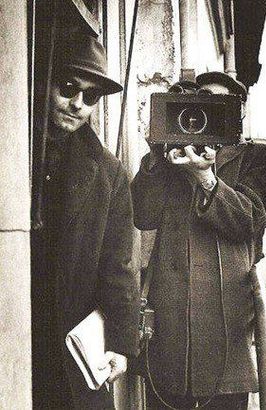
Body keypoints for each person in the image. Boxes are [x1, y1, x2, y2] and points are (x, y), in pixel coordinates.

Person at [131, 72, 266, 409]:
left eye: (220, 105)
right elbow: (142, 215)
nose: (208, 112)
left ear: (238, 114)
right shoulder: (174, 155)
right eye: (202, 102)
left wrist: (204, 175)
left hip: (225, 338)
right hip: (170, 338)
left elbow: (249, 220)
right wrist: (157, 153)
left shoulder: (262, 157)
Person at [31, 31, 140, 409]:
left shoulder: (109, 174)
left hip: (69, 349)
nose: (78, 104)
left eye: (90, 96)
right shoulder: (12, 150)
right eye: (67, 87)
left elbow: (119, 268)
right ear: (40, 82)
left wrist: (122, 347)